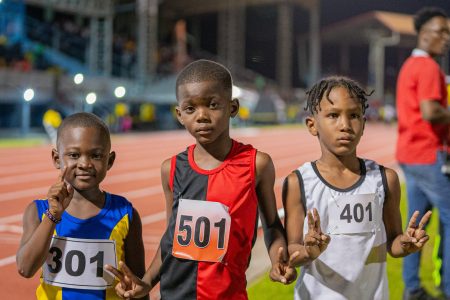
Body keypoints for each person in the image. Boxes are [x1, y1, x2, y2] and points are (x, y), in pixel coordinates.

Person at [105, 59, 297, 299]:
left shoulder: (256, 165)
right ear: (179, 115)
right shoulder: (171, 169)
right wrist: (147, 282)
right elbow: (171, 237)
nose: (202, 116)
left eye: (213, 105)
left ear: (233, 108)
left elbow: (270, 225)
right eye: (190, 109)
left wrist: (278, 257)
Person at [283, 76, 432, 300]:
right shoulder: (299, 182)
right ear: (312, 125)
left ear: (363, 124)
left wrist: (406, 244)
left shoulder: (384, 179)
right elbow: (292, 249)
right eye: (333, 115)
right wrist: (308, 251)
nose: (345, 125)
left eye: (353, 116)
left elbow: (394, 243)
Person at [16, 112, 147, 300]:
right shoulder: (37, 212)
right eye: (74, 155)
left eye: (95, 155)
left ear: (109, 161)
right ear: (56, 158)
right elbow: (25, 268)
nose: (85, 164)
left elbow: (139, 287)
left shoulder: (125, 214)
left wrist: (131, 290)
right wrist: (53, 215)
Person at [396, 7, 450, 300]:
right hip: (429, 155)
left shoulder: (410, 65)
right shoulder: (429, 67)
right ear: (424, 34)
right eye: (441, 31)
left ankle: (412, 288)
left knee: (416, 225)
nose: (446, 38)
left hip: (411, 155)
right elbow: (431, 111)